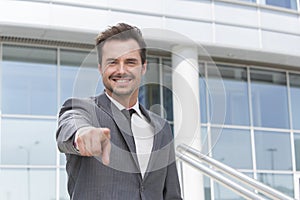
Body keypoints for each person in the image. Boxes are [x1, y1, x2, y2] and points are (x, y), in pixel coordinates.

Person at [56, 23, 182, 200]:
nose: (121, 70)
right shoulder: (82, 109)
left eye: (130, 62)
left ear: (143, 67)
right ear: (100, 68)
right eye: (113, 62)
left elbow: (172, 195)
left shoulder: (162, 128)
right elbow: (70, 127)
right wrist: (83, 135)